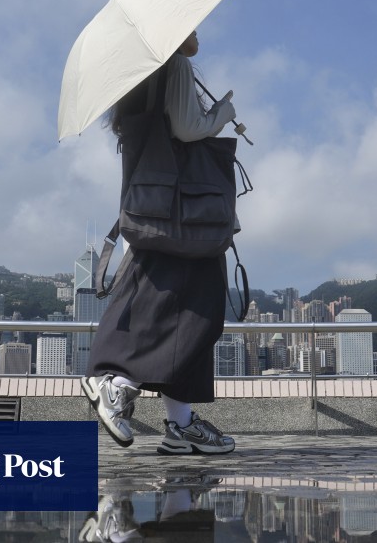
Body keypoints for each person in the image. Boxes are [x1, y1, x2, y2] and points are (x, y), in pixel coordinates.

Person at [82, 31, 237, 455]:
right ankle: (117, 383)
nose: (199, 32)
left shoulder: (139, 76)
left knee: (181, 308)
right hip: (185, 211)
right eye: (193, 24)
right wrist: (223, 113)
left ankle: (180, 422)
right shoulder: (173, 65)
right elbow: (188, 128)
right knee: (191, 308)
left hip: (157, 206)